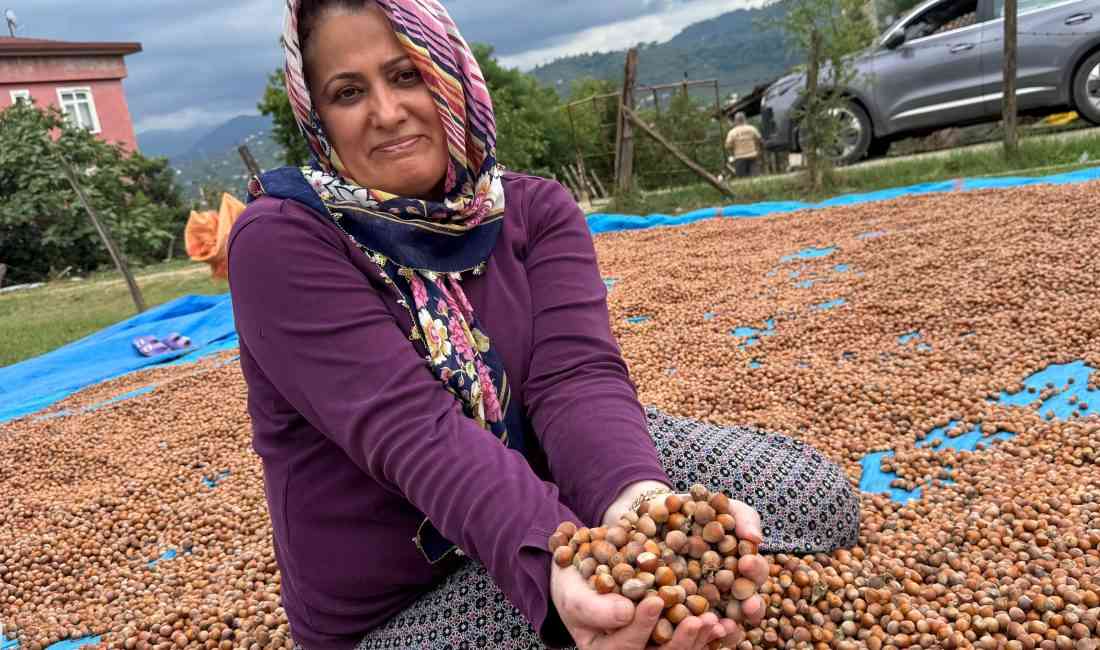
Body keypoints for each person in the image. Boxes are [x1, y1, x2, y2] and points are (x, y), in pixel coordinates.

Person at [227, 1, 861, 649]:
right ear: (316, 115)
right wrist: (565, 571)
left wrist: (634, 504)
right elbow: (416, 432)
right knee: (623, 616)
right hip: (403, 600)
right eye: (348, 91)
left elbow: (575, 379)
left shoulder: (532, 210)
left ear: (449, 73)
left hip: (545, 494)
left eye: (406, 74)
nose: (386, 112)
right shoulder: (283, 240)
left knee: (813, 499)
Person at [724, 113, 764, 178]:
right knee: (755, 178)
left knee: (742, 179)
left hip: (739, 158)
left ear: (736, 121)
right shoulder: (752, 129)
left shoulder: (732, 132)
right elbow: (760, 141)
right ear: (745, 119)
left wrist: (733, 151)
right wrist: (759, 151)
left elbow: (727, 146)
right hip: (752, 156)